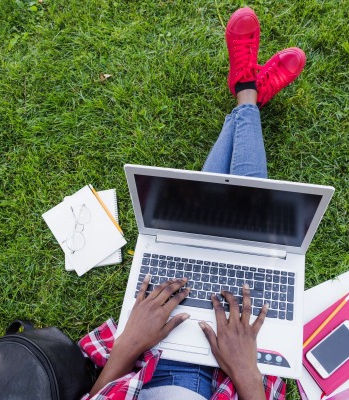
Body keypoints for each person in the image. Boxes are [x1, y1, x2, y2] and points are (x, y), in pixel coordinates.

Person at [79, 7, 306, 400]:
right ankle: (246, 95)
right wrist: (247, 374)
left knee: (193, 226)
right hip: (232, 381)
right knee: (250, 229)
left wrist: (128, 345)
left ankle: (246, 96)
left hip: (144, 360)